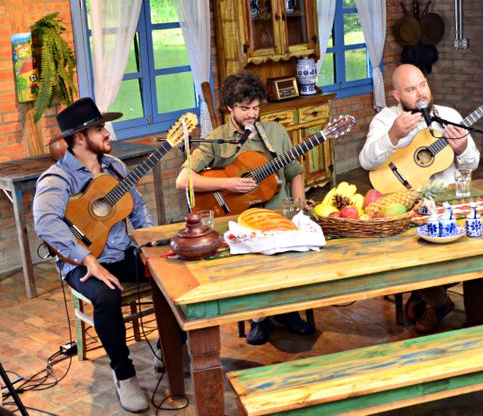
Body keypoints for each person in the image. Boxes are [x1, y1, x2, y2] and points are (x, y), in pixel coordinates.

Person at [33, 98, 153, 413]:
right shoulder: (56, 179)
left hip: (120, 252)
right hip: (80, 262)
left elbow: (138, 209)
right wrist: (87, 258)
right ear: (80, 138)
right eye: (100, 128)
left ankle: (172, 349)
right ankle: (124, 375)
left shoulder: (116, 168)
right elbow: (45, 223)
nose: (108, 133)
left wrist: (149, 244)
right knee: (107, 295)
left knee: (168, 275)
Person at [176, 70, 313, 345]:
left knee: (294, 259)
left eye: (255, 108)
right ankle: (258, 318)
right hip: (240, 220)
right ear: (230, 107)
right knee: (251, 263)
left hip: (278, 215)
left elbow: (295, 172)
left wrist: (298, 210)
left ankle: (287, 311)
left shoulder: (274, 132)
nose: (252, 114)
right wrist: (229, 182)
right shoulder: (218, 138)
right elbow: (183, 179)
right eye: (244, 108)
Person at [359, 64, 480, 333]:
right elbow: (367, 160)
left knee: (464, 241)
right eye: (411, 89)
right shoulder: (385, 120)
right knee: (402, 247)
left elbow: (471, 162)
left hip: (446, 206)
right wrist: (393, 136)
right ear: (396, 95)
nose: (420, 93)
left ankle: (432, 299)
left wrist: (462, 149)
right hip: (403, 205)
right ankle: (436, 301)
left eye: (423, 84)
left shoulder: (447, 116)